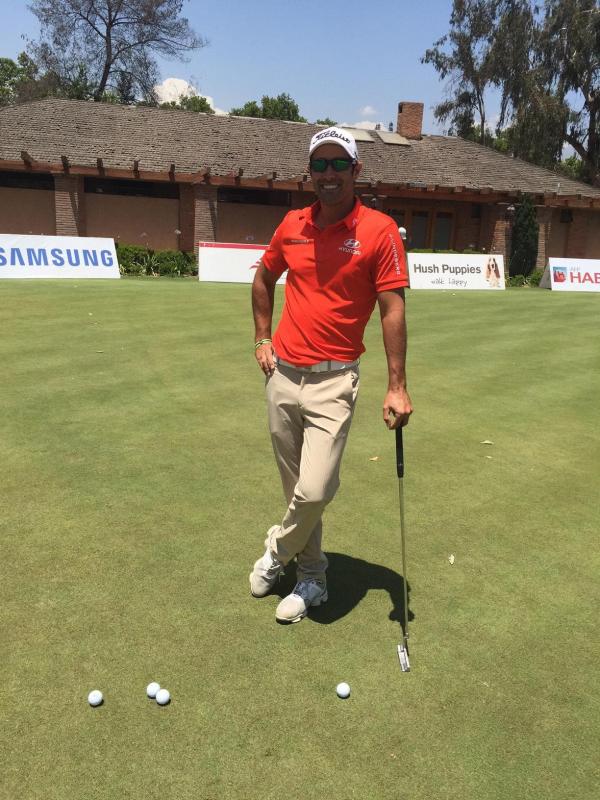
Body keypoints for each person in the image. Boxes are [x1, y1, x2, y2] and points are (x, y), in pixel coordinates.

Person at [250, 126, 413, 623]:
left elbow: (392, 308)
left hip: (334, 381)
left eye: (338, 164)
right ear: (310, 172)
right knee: (296, 489)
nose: (328, 173)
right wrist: (261, 338)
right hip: (283, 375)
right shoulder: (292, 223)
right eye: (319, 164)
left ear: (355, 170)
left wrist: (397, 385)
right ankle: (313, 576)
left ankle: (276, 551)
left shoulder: (379, 231)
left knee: (315, 490)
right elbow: (263, 277)